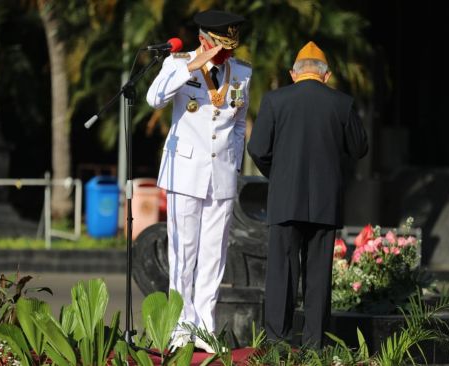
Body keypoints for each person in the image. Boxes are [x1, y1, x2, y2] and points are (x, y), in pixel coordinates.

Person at [247, 41, 368, 347]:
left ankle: (277, 343)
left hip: (285, 201)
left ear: (293, 74)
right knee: (318, 279)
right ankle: (314, 347)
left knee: (281, 275)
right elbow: (360, 148)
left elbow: (258, 149)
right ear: (326, 76)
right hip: (325, 204)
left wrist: (281, 176)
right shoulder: (341, 103)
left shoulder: (275, 101)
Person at [146, 9, 252, 352]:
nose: (227, 56)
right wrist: (192, 65)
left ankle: (205, 326)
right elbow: (153, 98)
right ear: (204, 41)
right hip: (185, 172)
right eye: (220, 49)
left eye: (230, 50)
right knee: (183, 251)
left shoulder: (242, 73)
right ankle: (181, 325)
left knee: (213, 254)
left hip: (221, 174)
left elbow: (238, 123)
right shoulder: (178, 65)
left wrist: (233, 161)